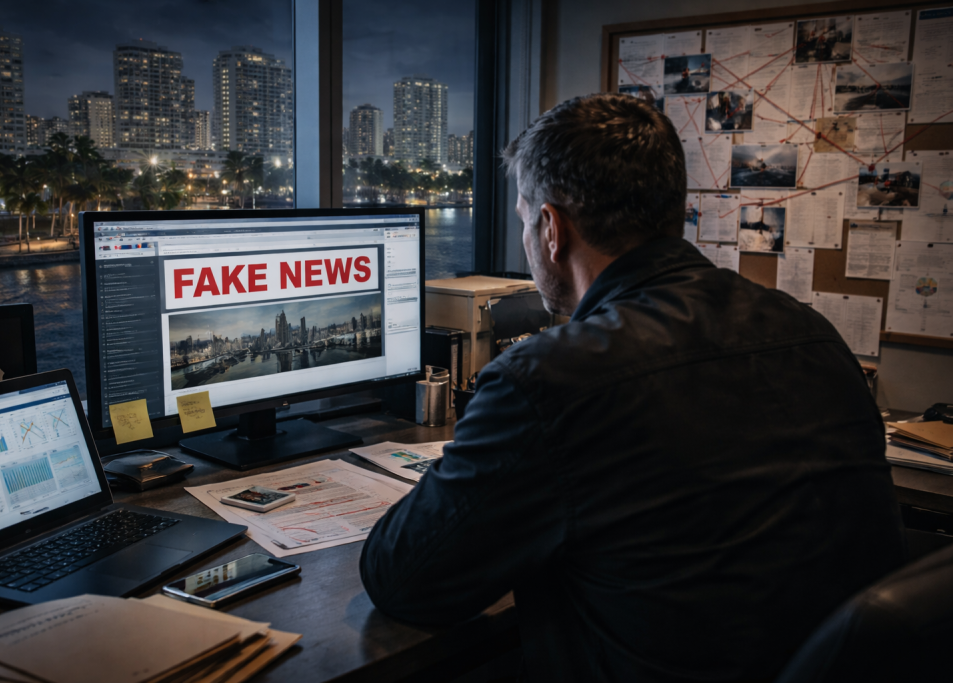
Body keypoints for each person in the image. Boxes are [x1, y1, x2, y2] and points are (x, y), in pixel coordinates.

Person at [360, 93, 905, 682]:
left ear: (550, 229)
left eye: (523, 220)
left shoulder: (550, 379)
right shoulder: (812, 334)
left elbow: (405, 581)